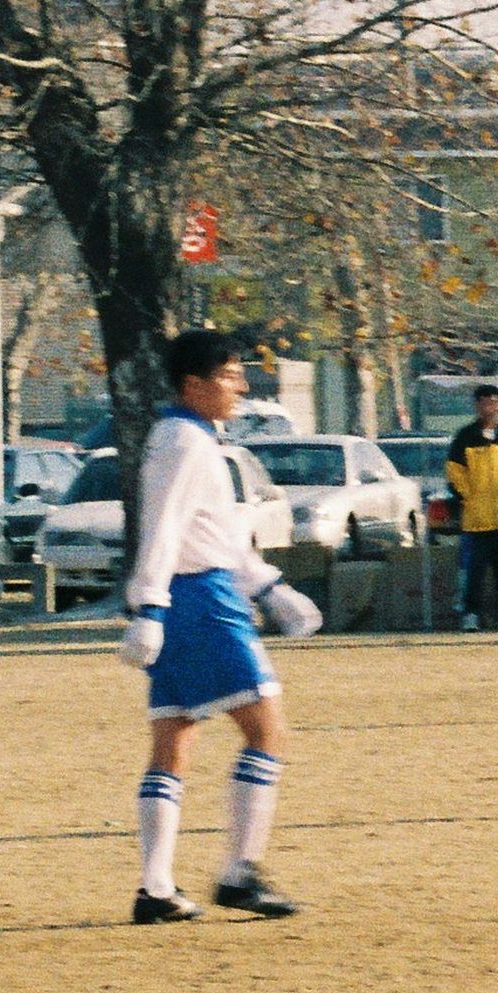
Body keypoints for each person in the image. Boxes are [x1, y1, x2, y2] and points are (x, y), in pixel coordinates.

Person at [118, 329, 321, 922]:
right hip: (200, 600)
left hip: (199, 594)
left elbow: (218, 534)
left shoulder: (193, 438)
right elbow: (162, 528)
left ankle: (155, 890)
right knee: (267, 731)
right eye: (231, 375)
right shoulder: (184, 442)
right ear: (194, 384)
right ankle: (239, 873)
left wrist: (269, 586)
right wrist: (150, 605)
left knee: (173, 739)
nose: (241, 385)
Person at [442, 386, 498, 630]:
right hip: (477, 520)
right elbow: (455, 473)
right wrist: (470, 497)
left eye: (494, 402)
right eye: (484, 402)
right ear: (477, 406)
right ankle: (471, 614)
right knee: (474, 571)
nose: (490, 407)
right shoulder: (465, 437)